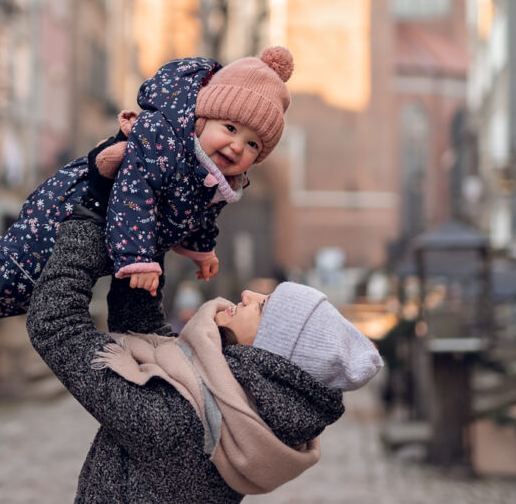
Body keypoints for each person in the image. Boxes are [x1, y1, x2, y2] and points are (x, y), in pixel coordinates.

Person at [0, 47, 295, 344]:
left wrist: (202, 250)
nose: (237, 147)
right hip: (71, 207)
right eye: (230, 129)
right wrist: (138, 258)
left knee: (34, 292)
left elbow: (200, 215)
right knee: (14, 276)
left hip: (107, 237)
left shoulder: (219, 179)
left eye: (253, 144)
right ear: (203, 119)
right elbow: (135, 196)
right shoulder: (163, 139)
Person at [26, 208, 384, 502]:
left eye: (263, 307)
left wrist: (87, 217)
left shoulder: (179, 421)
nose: (249, 295)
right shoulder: (246, 416)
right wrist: (140, 237)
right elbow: (144, 332)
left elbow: (55, 325)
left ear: (269, 353)